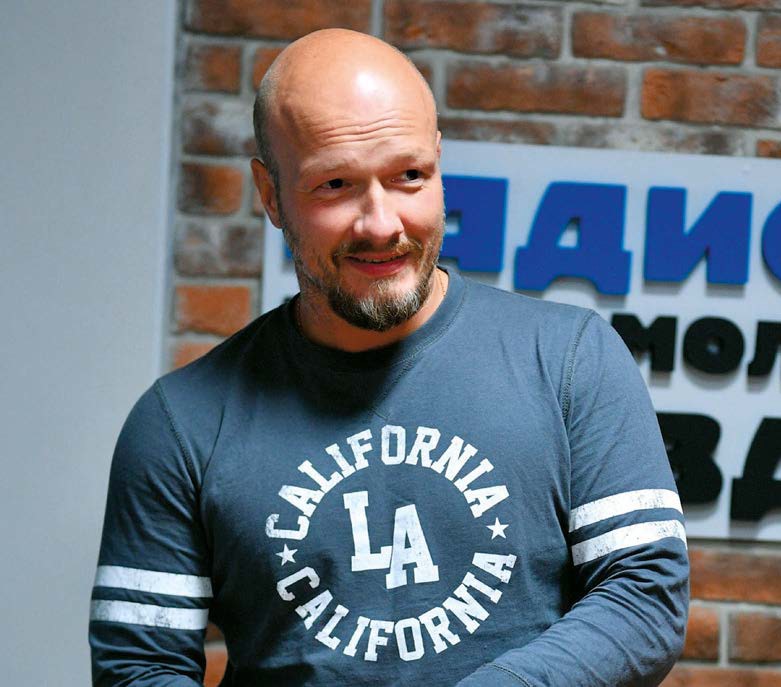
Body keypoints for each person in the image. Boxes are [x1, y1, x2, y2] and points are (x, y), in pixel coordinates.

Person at [90, 29, 689, 687]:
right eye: (335, 184)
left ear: (438, 162)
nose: (381, 224)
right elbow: (138, 666)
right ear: (271, 193)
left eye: (409, 176)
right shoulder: (180, 422)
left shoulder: (573, 360)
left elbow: (643, 597)